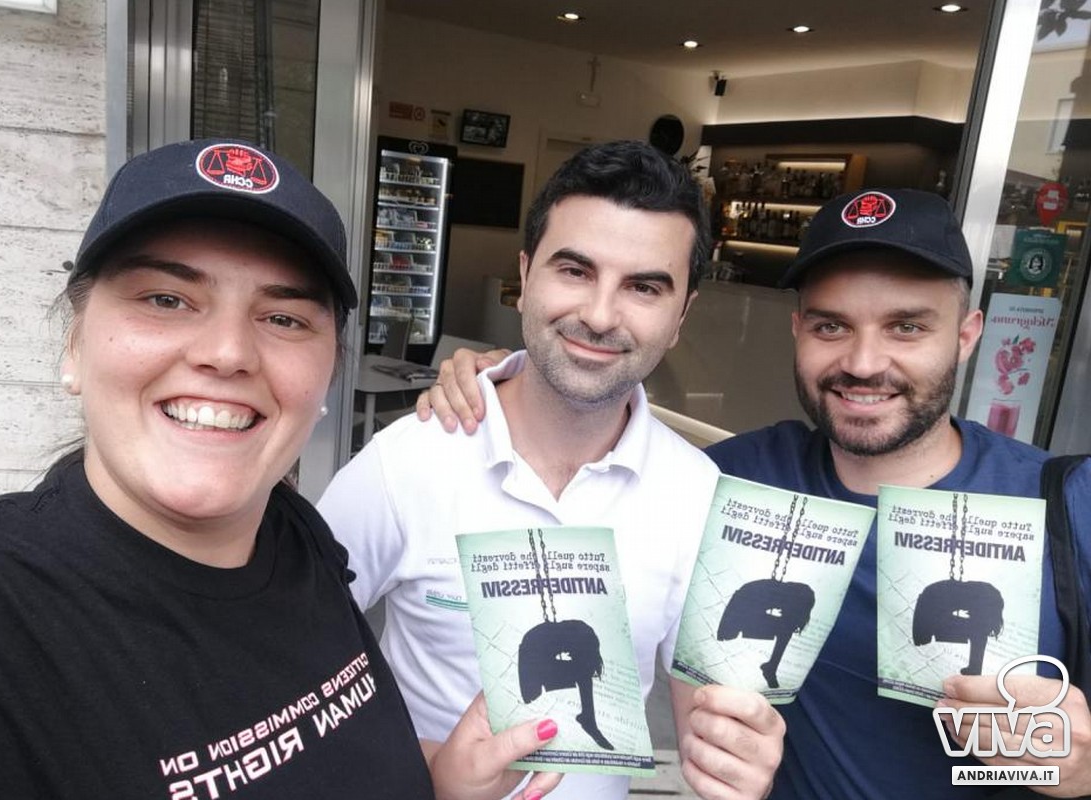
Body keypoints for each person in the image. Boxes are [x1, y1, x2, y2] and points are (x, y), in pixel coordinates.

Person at [0, 138, 553, 800]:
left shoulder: (295, 534)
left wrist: (443, 785)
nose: (229, 351)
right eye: (165, 299)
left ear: (328, 373)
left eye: (283, 317)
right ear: (74, 344)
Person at [422, 187, 1091, 798]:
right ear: (798, 331)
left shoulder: (1069, 506)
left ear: (967, 335)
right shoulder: (729, 479)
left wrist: (1078, 767)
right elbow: (581, 420)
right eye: (831, 326)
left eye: (907, 327)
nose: (863, 363)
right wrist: (498, 379)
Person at [318, 140, 785, 800]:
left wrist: (736, 762)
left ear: (681, 316)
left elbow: (709, 718)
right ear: (525, 274)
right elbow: (284, 665)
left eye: (644, 287)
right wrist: (432, 774)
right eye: (574, 270)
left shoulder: (699, 495)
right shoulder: (406, 460)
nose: (599, 315)